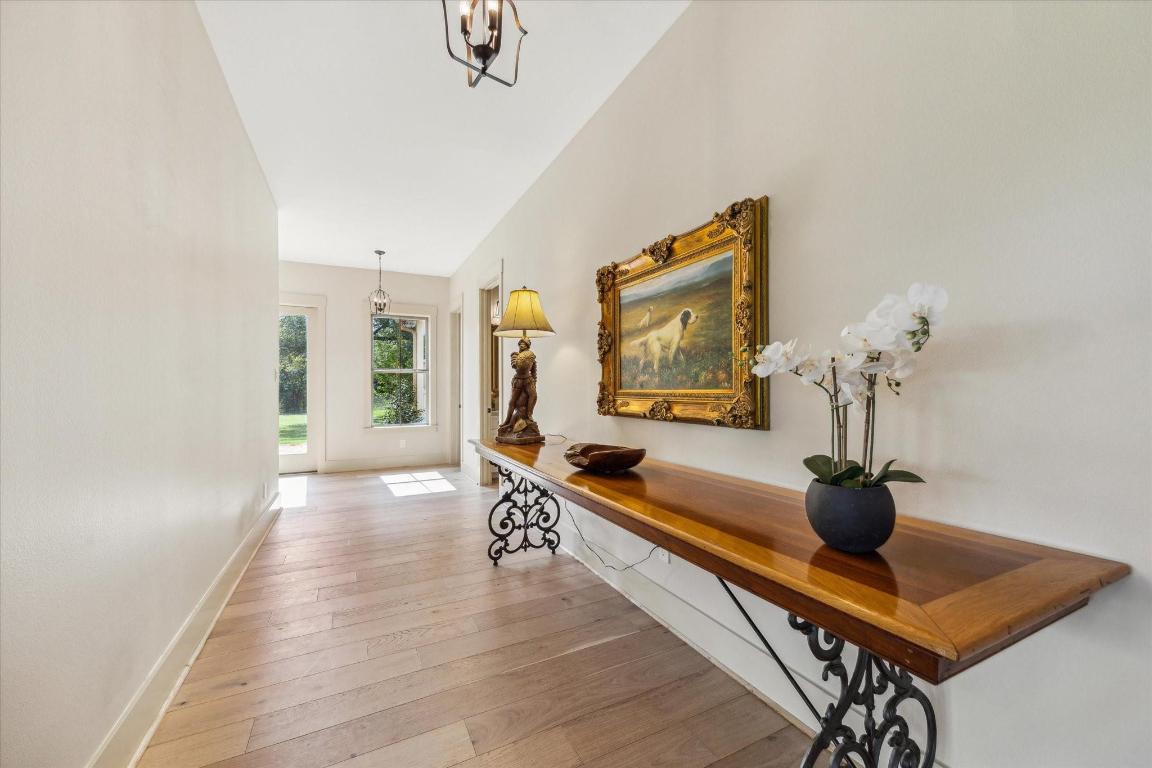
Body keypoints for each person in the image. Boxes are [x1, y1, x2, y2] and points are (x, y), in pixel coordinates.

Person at [498, 337, 539, 436]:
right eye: (520, 344)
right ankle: (507, 420)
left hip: (528, 379)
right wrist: (516, 358)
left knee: (533, 396)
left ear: (527, 345)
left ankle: (529, 414)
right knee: (513, 400)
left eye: (523, 344)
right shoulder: (516, 355)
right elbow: (515, 366)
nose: (521, 345)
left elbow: (533, 369)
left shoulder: (531, 355)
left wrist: (534, 380)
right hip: (518, 380)